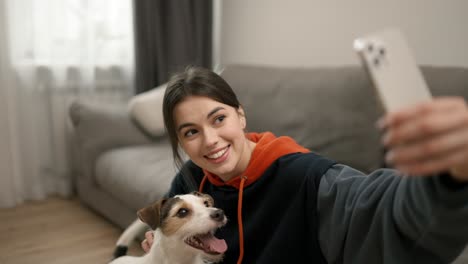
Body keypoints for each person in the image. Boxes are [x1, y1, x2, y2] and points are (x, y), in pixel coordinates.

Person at [141, 65, 468, 263]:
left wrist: (450, 177)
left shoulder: (308, 179)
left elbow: (381, 207)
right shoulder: (192, 177)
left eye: (219, 118)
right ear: (181, 142)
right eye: (191, 132)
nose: (210, 140)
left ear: (240, 114)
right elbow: (165, 230)